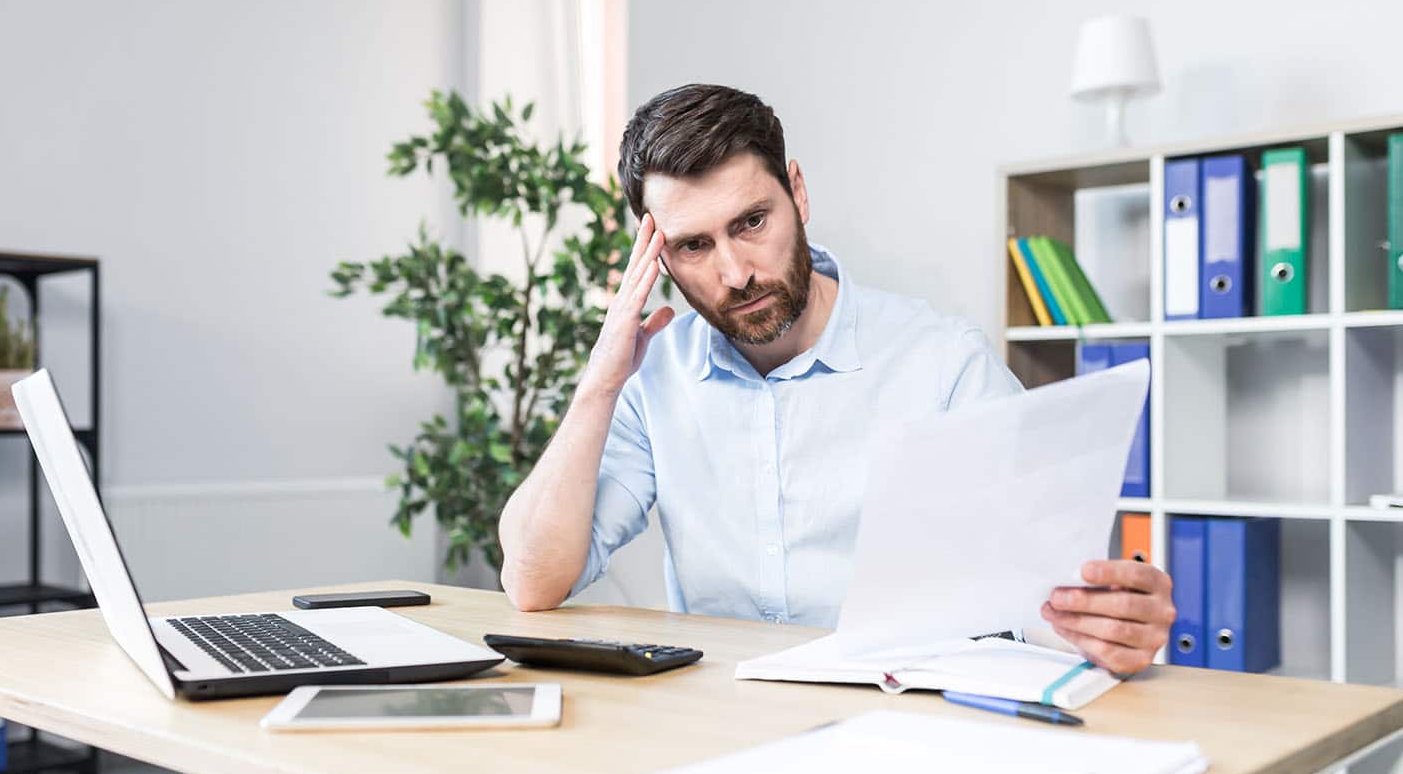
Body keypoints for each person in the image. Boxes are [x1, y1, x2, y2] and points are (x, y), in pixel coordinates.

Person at [498, 83, 1174, 675]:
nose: (734, 274)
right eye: (693, 246)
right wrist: (600, 382)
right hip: (720, 729)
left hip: (901, 730)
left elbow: (1048, 591)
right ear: (657, 254)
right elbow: (533, 579)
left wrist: (1112, 626)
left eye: (752, 222)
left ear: (797, 190)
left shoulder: (940, 362)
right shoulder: (655, 377)